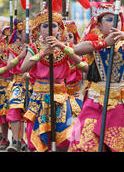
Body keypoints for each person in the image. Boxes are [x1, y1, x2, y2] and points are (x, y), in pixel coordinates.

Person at [68, 1, 124, 152]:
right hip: (95, 102)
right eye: (109, 20)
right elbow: (76, 50)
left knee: (118, 147)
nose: (114, 23)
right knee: (88, 144)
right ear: (99, 26)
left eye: (117, 20)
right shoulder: (94, 43)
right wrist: (103, 43)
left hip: (118, 104)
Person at [21, 10, 82, 152]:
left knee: (63, 138)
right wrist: (42, 53)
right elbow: (24, 67)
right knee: (40, 138)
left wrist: (63, 47)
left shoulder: (65, 47)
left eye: (53, 26)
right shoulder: (34, 47)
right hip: (39, 96)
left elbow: (81, 65)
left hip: (60, 96)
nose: (50, 29)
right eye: (45, 26)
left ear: (59, 29)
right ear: (38, 29)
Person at [1, 20, 28, 152]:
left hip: (34, 83)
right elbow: (10, 65)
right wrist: (22, 55)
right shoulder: (13, 48)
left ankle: (30, 141)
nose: (29, 35)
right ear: (19, 33)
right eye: (25, 32)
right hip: (17, 82)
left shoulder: (35, 46)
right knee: (15, 109)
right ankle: (17, 140)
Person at [64, 20, 84, 118]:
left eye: (70, 37)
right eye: (64, 36)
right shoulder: (54, 52)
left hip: (76, 96)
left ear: (75, 39)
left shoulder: (80, 54)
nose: (67, 40)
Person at [0, 28, 13, 150]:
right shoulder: (1, 48)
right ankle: (4, 137)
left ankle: (18, 139)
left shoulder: (22, 47)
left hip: (16, 83)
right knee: (3, 115)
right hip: (2, 86)